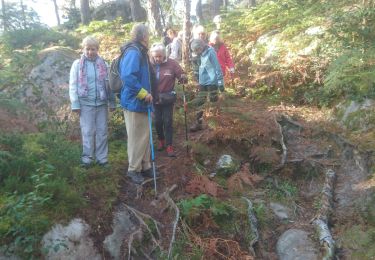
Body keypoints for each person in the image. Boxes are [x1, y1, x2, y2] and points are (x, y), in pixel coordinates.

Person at [69, 36, 115, 167]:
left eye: (93, 49)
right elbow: (73, 85)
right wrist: (75, 103)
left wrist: (112, 102)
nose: (90, 52)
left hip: (101, 104)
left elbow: (109, 85)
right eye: (87, 49)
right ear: (83, 49)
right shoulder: (77, 65)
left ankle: (102, 159)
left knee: (102, 131)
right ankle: (87, 159)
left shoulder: (104, 65)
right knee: (88, 131)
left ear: (97, 49)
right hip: (85, 104)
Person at [119, 24, 155, 184]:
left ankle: (145, 166)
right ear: (143, 36)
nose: (149, 36)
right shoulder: (134, 52)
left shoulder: (140, 51)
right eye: (148, 34)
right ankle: (133, 169)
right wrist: (143, 93)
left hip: (143, 102)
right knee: (136, 137)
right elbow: (128, 77)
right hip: (135, 102)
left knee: (145, 135)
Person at [150, 43, 187, 157]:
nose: (158, 59)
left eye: (160, 56)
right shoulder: (150, 65)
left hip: (167, 98)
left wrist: (183, 77)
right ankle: (161, 140)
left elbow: (181, 75)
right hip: (154, 98)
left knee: (168, 121)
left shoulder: (172, 63)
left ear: (164, 55)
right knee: (157, 121)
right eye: (155, 56)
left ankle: (169, 145)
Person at [189, 39, 224, 132]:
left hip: (212, 81)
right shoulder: (199, 55)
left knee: (213, 102)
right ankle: (198, 123)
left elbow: (217, 67)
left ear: (201, 47)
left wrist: (220, 82)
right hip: (202, 82)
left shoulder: (211, 52)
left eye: (197, 50)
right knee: (200, 102)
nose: (196, 52)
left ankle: (214, 125)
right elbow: (199, 68)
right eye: (195, 51)